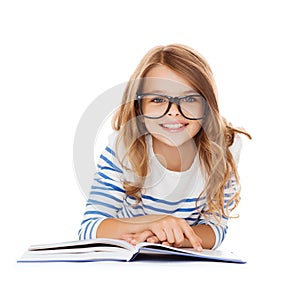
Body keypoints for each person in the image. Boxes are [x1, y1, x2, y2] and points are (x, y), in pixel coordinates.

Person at [78, 44, 251, 251]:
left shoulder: (225, 148)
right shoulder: (123, 148)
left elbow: (215, 228)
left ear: (207, 105)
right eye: (158, 99)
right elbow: (90, 228)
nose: (173, 113)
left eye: (189, 99)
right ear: (139, 106)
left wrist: (174, 238)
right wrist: (152, 222)